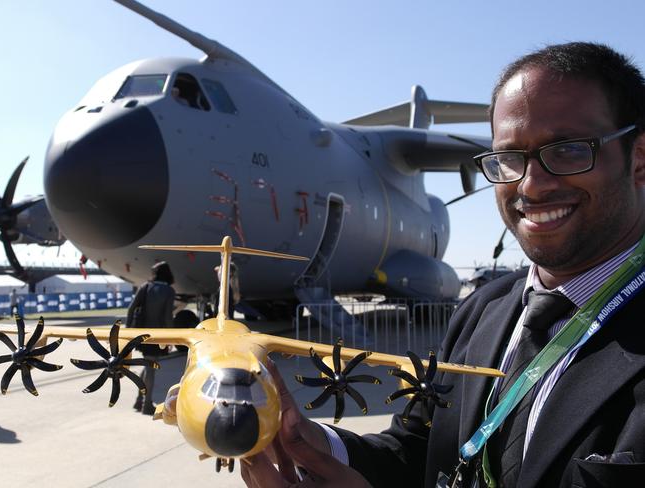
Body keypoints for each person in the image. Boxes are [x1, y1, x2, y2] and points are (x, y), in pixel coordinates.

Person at [240, 42, 645, 488]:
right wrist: (308, 441)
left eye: (568, 150)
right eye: (508, 159)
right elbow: (416, 450)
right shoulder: (482, 312)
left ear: (639, 158)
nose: (530, 184)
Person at [126, 261, 175, 415]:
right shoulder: (169, 291)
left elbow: (131, 308)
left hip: (142, 333)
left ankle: (139, 400)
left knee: (148, 365)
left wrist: (128, 331)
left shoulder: (145, 287)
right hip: (158, 334)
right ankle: (146, 404)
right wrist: (172, 337)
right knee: (151, 368)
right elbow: (167, 316)